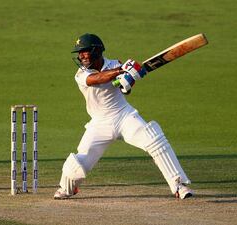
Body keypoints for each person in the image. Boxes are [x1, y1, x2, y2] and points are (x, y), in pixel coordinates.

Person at [53, 33, 193, 199]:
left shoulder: (114, 64)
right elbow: (96, 79)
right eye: (79, 52)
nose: (81, 55)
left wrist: (129, 79)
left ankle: (178, 186)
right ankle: (67, 189)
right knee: (76, 166)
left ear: (96, 51)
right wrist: (121, 70)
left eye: (84, 51)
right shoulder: (81, 74)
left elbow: (125, 89)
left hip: (124, 116)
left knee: (155, 140)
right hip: (99, 124)